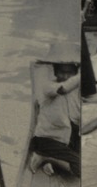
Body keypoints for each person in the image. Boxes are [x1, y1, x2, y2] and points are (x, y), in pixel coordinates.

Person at [27, 42, 83, 179]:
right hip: (47, 139)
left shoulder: (76, 89)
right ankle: (47, 158)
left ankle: (49, 161)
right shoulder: (48, 86)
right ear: (55, 72)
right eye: (62, 72)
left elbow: (77, 115)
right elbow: (64, 88)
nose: (65, 76)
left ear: (75, 72)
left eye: (69, 72)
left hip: (68, 136)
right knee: (82, 169)